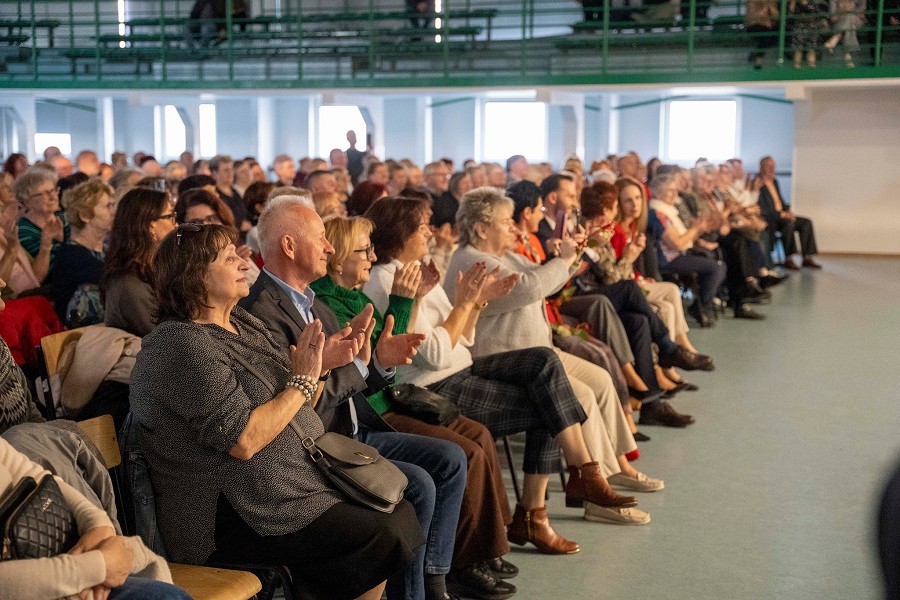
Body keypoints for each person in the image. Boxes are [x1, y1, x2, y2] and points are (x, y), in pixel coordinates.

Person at [130, 223, 421, 600]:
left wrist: (322, 365)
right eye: (228, 257)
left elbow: (301, 404)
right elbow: (244, 441)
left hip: (290, 484)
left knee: (396, 509)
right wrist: (302, 379)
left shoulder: (242, 324)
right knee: (383, 529)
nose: (243, 261)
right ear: (194, 275)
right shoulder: (179, 345)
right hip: (233, 510)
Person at [364, 196, 648, 551]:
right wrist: (467, 303)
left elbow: (460, 337)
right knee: (550, 405)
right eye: (422, 227)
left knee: (544, 362)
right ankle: (540, 511)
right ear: (399, 233)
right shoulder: (386, 281)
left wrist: (477, 302)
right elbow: (434, 355)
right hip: (431, 387)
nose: (430, 232)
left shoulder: (418, 268)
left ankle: (579, 475)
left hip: (460, 366)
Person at [240, 197, 467, 600]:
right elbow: (297, 404)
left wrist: (378, 363)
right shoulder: (262, 311)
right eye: (321, 239)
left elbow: (346, 378)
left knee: (449, 459)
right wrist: (360, 367)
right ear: (289, 247)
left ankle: (434, 582)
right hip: (316, 444)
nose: (329, 248)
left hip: (348, 429)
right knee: (416, 484)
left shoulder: (312, 303)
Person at [311, 216, 519, 600]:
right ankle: (450, 569)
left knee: (476, 438)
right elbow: (404, 354)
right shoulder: (329, 300)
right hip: (375, 408)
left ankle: (474, 555)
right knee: (461, 455)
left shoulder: (357, 296)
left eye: (372, 248)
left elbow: (393, 353)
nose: (371, 255)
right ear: (338, 259)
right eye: (362, 250)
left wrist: (462, 299)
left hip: (385, 400)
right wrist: (410, 300)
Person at [443, 187, 665, 501]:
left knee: (601, 381)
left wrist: (574, 256)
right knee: (584, 396)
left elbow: (549, 281)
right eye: (506, 222)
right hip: (506, 358)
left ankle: (619, 467)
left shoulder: (504, 256)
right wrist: (562, 260)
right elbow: (530, 288)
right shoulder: (471, 261)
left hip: (538, 350)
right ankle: (596, 484)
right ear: (481, 229)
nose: (514, 227)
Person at [649, 173, 727, 327]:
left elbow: (685, 237)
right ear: (658, 193)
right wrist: (696, 228)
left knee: (715, 261)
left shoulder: (668, 210)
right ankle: (700, 307)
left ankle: (701, 305)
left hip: (681, 253)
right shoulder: (657, 213)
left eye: (675, 190)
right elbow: (677, 244)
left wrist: (700, 229)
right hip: (669, 259)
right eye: (670, 190)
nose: (675, 194)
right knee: (716, 268)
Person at [103, 188, 176, 337]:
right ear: (150, 226)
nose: (176, 224)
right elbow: (163, 335)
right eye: (170, 216)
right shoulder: (128, 282)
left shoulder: (157, 266)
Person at [47, 178, 116, 327]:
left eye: (113, 205)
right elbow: (114, 279)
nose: (113, 211)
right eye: (107, 206)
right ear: (84, 215)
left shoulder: (106, 250)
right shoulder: (71, 255)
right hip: (80, 337)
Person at [755, 156, 821, 270]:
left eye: (773, 166)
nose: (772, 169)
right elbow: (764, 208)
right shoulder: (757, 183)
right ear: (762, 167)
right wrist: (782, 214)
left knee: (806, 223)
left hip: (782, 213)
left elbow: (780, 201)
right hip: (771, 218)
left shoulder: (774, 182)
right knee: (788, 224)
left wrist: (788, 211)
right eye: (769, 166)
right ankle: (789, 258)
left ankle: (807, 257)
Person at [14, 168, 68, 282]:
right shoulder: (23, 230)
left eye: (53, 190)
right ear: (26, 201)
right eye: (43, 194)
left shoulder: (64, 218)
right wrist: (47, 243)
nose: (52, 197)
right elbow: (50, 272)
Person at [0, 173, 41, 298]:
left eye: (12, 185)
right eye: (5, 187)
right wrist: (12, 248)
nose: (11, 189)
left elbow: (36, 277)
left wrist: (46, 244)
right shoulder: (21, 228)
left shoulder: (10, 228)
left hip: (29, 300)